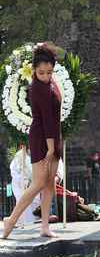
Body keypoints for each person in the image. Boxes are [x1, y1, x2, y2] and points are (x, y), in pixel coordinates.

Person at [3, 44, 62, 238]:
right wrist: (51, 147)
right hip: (42, 138)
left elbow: (54, 115)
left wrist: (55, 143)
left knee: (50, 184)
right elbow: (45, 117)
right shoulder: (38, 88)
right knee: (37, 183)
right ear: (34, 70)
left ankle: (45, 226)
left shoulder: (51, 83)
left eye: (49, 72)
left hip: (53, 135)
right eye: (41, 72)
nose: (45, 75)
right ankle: (11, 220)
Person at [10, 145, 63, 226]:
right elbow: (15, 174)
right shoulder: (20, 156)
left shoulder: (50, 152)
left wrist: (55, 178)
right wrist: (26, 183)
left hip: (45, 188)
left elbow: (59, 170)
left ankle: (48, 214)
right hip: (28, 190)